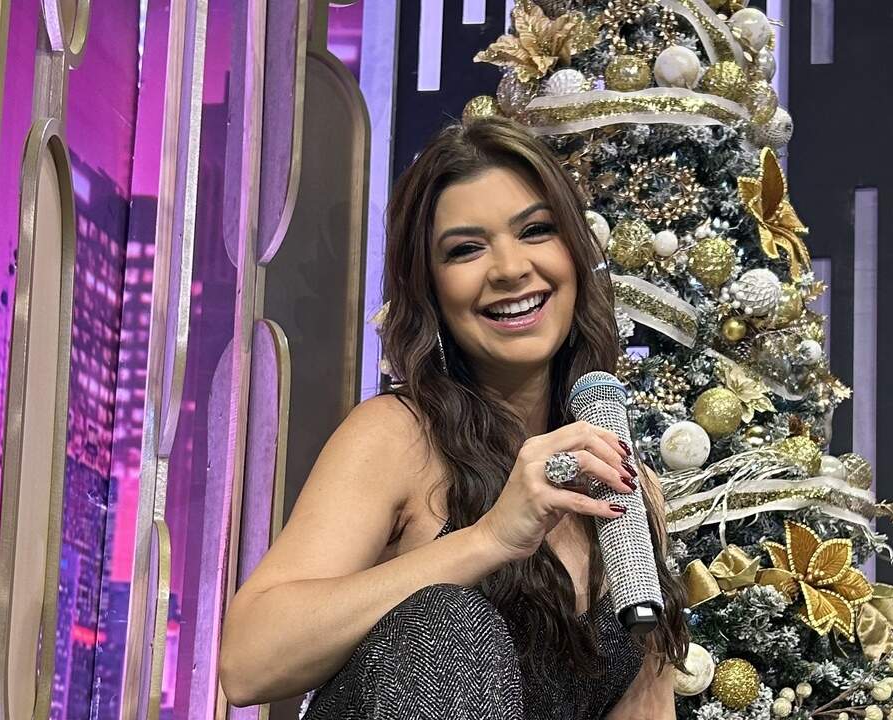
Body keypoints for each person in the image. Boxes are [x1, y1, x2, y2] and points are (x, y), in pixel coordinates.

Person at [217, 117, 688, 719]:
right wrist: (490, 539)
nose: (510, 268)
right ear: (432, 290)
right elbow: (248, 662)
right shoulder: (398, 436)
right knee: (450, 622)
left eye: (536, 230)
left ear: (574, 253)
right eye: (466, 249)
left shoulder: (623, 488)